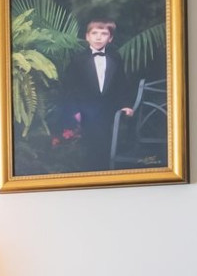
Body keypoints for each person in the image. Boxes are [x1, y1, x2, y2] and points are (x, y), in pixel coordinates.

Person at [52, 13, 143, 173]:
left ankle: (106, 176)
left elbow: (121, 84)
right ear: (87, 37)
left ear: (111, 38)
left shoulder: (115, 57)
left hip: (108, 109)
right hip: (84, 109)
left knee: (107, 145)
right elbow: (70, 87)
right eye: (94, 33)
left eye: (104, 34)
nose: (99, 37)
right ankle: (91, 177)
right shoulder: (78, 59)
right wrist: (75, 111)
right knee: (89, 148)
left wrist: (126, 105)